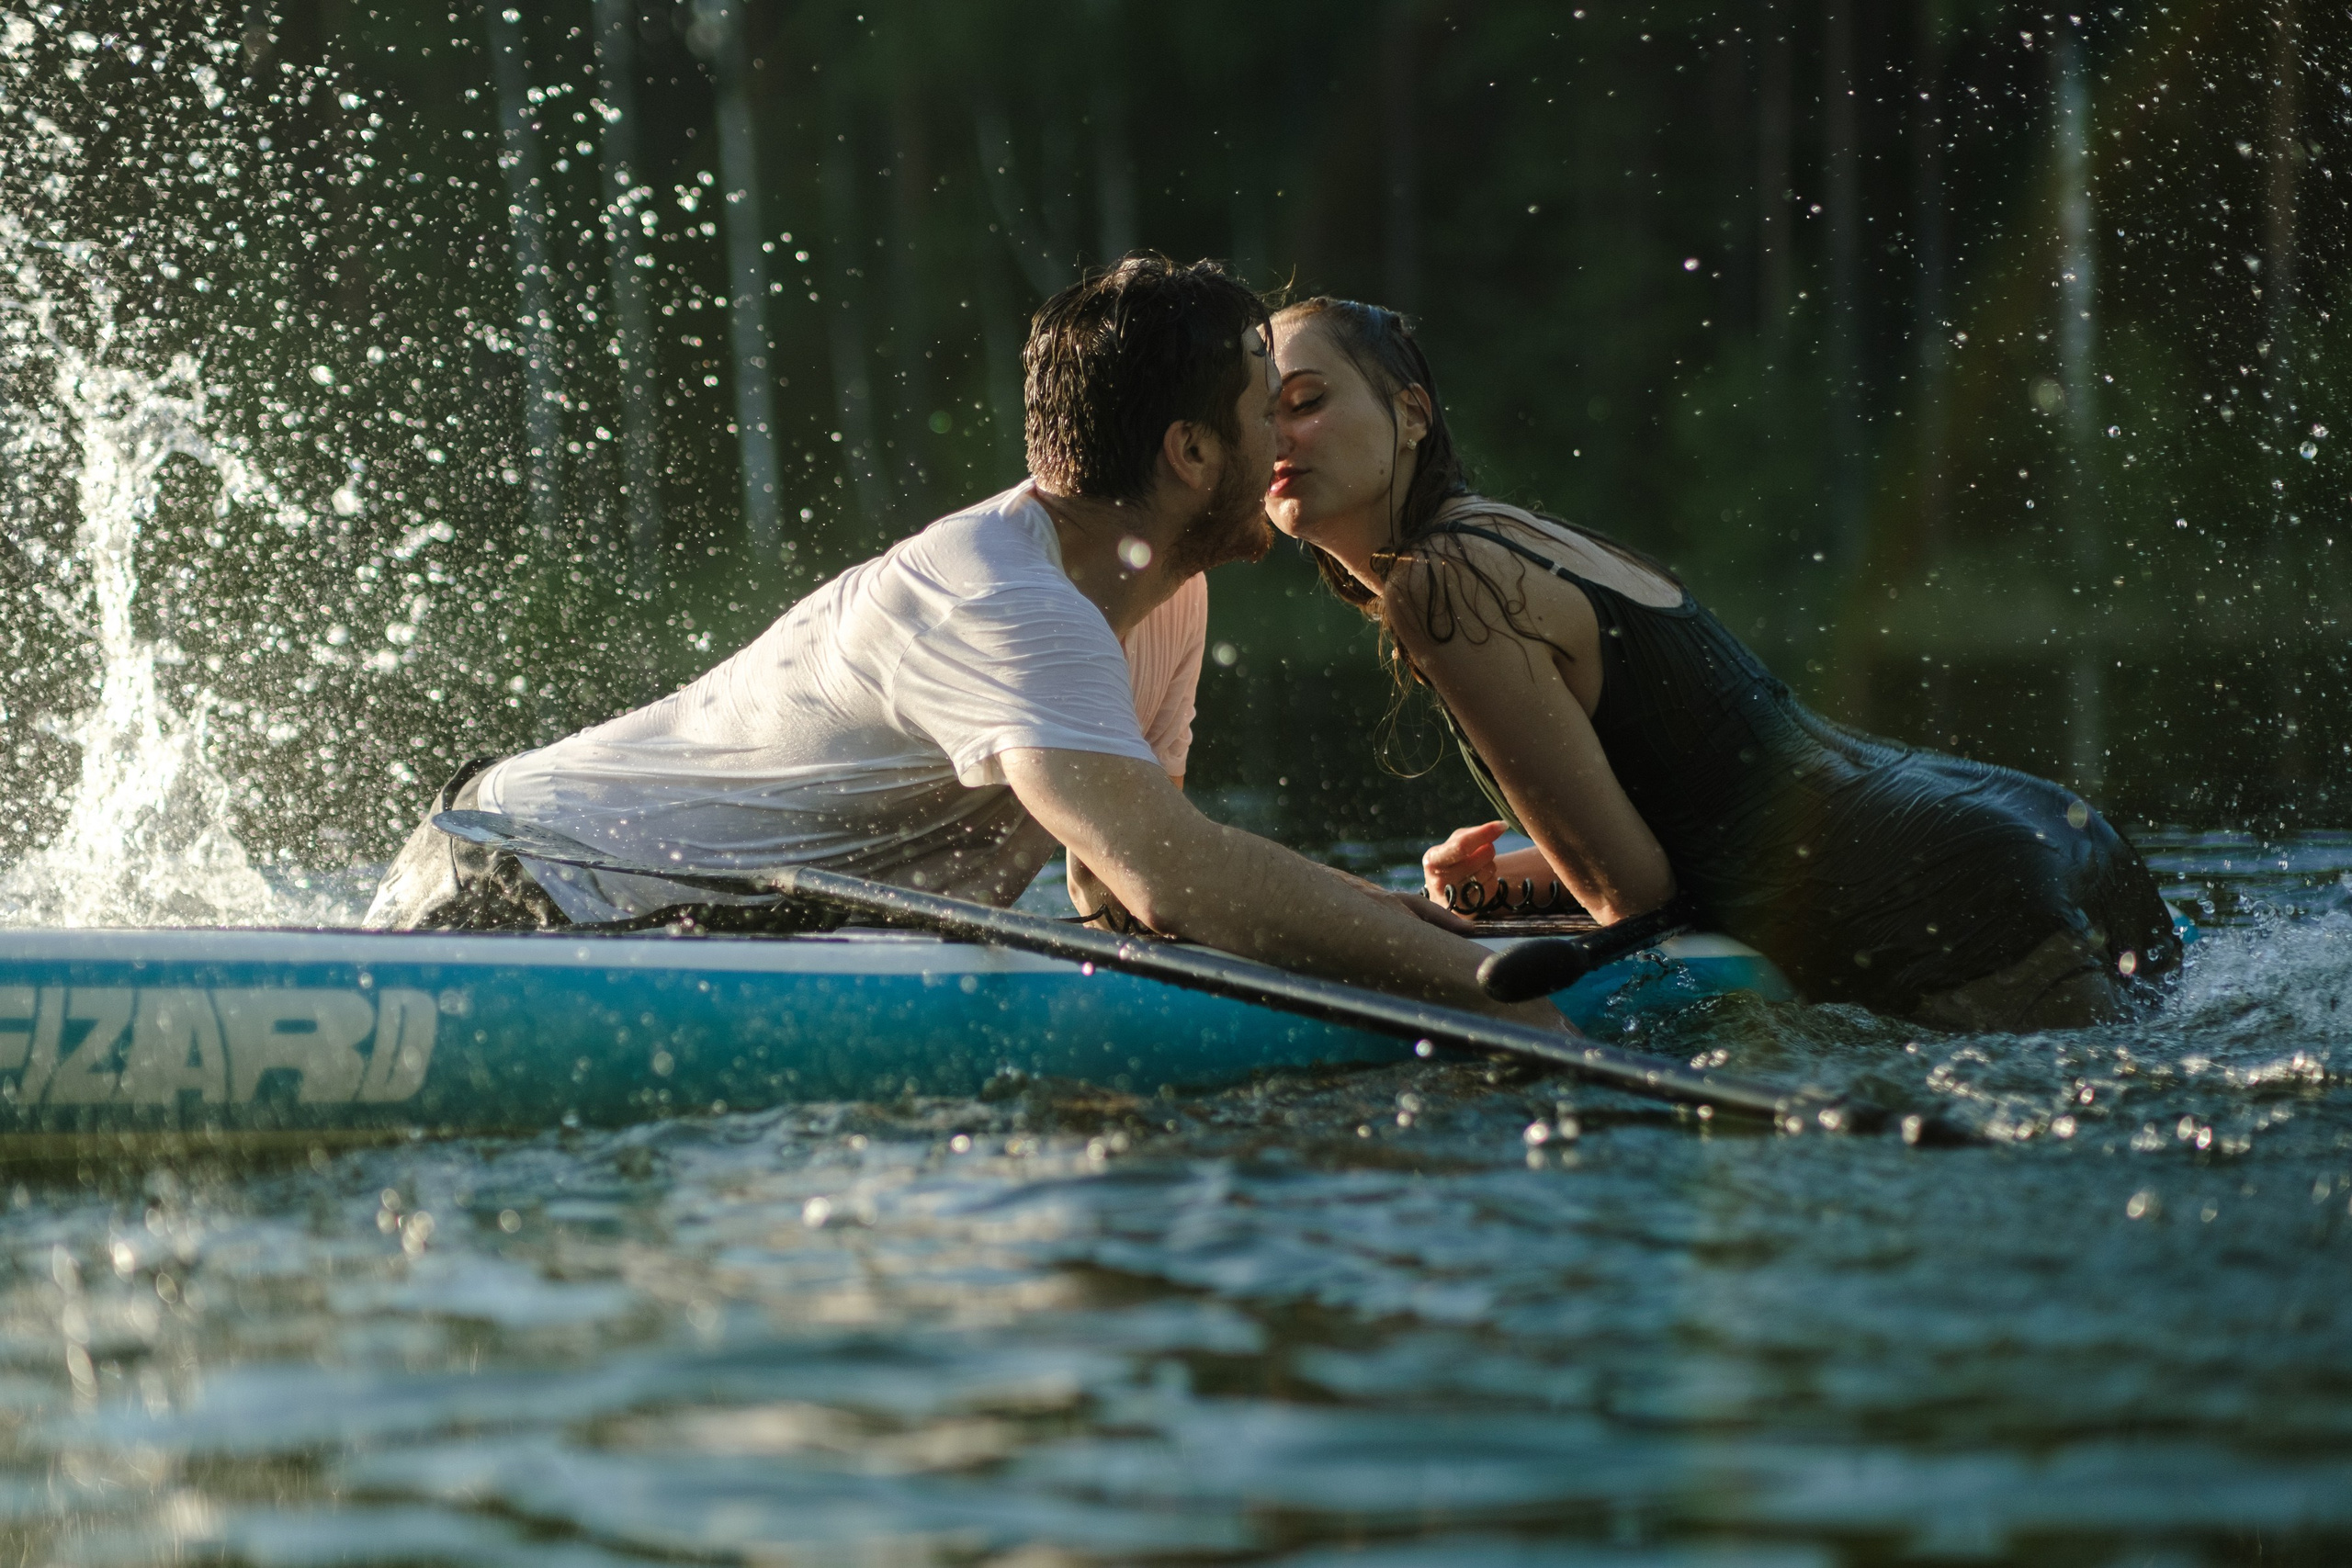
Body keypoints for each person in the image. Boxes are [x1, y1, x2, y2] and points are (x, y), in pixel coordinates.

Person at [367, 257, 1563, 1031]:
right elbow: (1170, 874)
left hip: (639, 920)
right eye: (1267, 416)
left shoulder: (1162, 593)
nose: (1288, 453)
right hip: (522, 895)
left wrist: (1459, 923)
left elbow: (1118, 888)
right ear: (1190, 455)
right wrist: (1471, 981)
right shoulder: (1009, 605)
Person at [1264, 295, 2180, 1031]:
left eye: (1306, 402)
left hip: (1948, 902)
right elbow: (1709, 827)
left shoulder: (1442, 583)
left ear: (1412, 413)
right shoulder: (1509, 536)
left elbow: (1638, 902)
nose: (1279, 436)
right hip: (2041, 832)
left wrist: (1441, 928)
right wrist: (1499, 895)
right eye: (1256, 416)